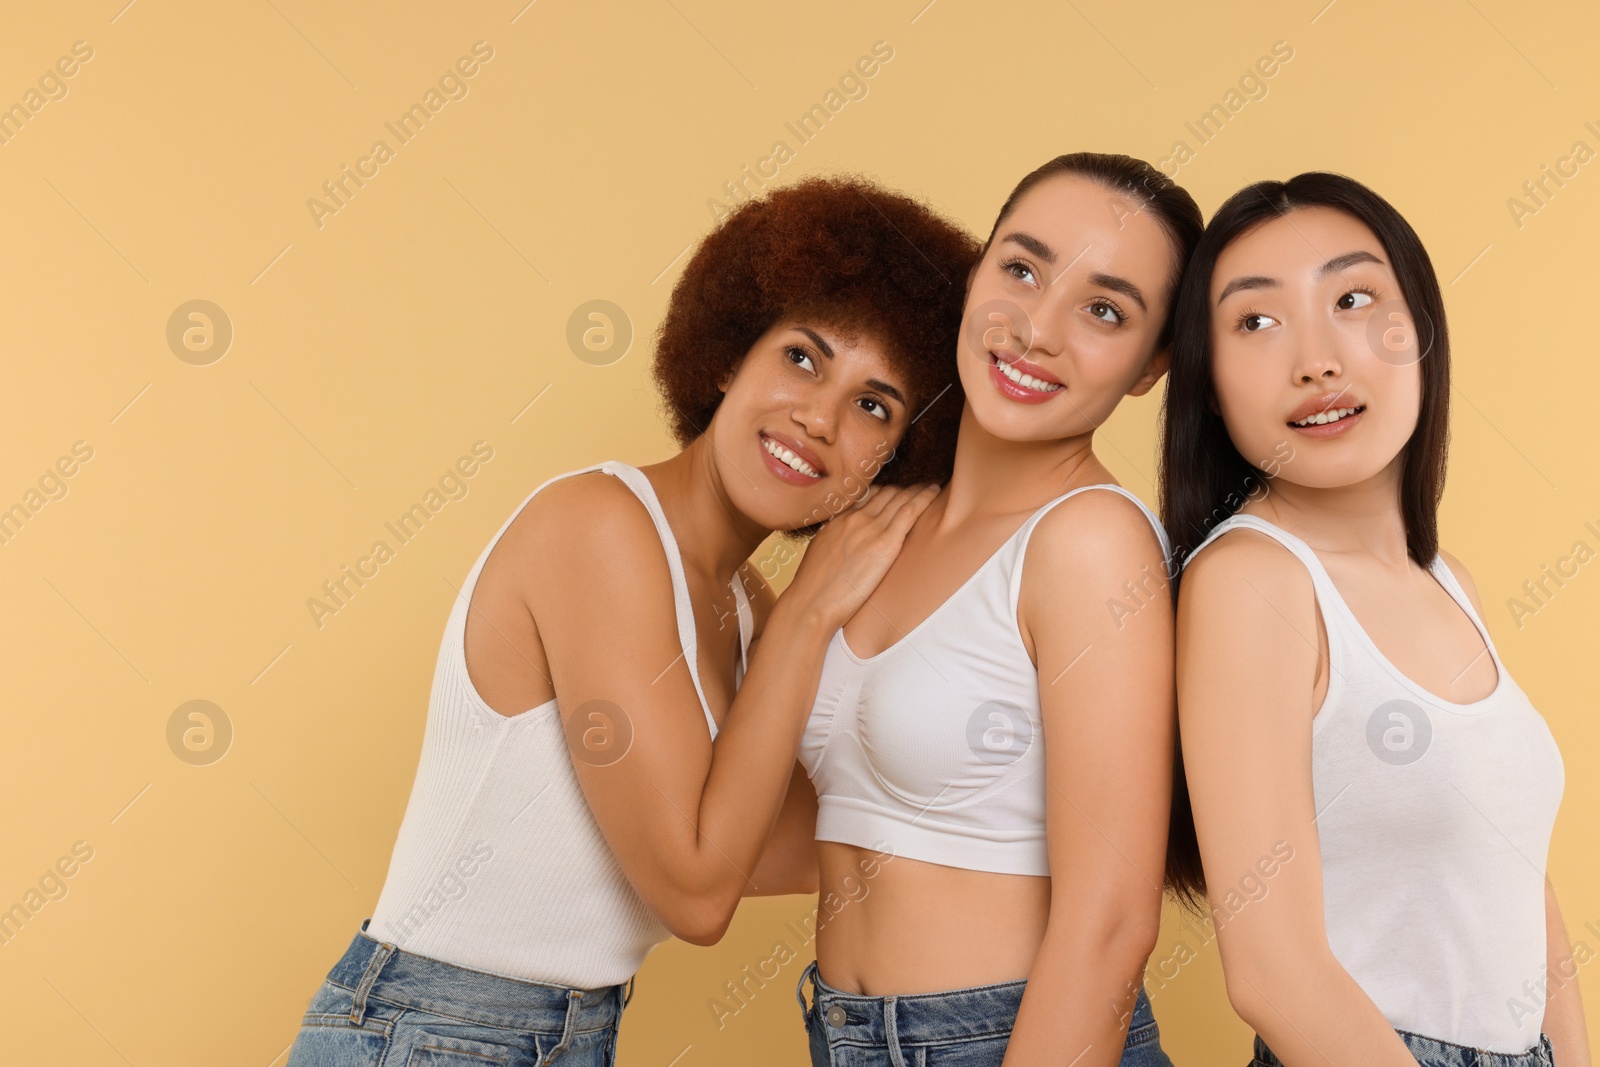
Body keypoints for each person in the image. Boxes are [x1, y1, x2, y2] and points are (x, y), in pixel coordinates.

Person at [284, 176, 980, 1067]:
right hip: (434, 1031)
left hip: (560, 1034)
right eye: (802, 358)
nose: (818, 417)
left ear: (893, 462)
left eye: (873, 405)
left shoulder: (739, 610)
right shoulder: (602, 528)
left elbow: (786, 840)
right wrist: (811, 610)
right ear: (731, 355)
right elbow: (696, 892)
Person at [1163, 172, 1590, 1066]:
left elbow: (1519, 883)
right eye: (1256, 321)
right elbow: (1273, 970)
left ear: (1421, 333)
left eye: (1353, 298)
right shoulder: (1252, 583)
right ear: (1208, 386)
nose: (1315, 359)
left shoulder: (1448, 579)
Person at [795, 153, 1201, 1067]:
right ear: (976, 274)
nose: (1036, 330)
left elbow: (1111, 920)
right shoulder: (880, 524)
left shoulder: (1091, 543)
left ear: (1151, 366)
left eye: (1105, 310)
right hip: (849, 1036)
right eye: (1021, 268)